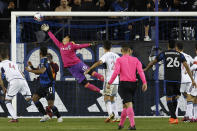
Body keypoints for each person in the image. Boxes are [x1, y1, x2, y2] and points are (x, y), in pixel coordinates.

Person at [41, 24, 105, 95]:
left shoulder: (71, 45)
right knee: (85, 84)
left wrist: (89, 44)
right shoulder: (60, 45)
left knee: (91, 73)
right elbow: (54, 38)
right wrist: (48, 31)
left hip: (78, 64)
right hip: (72, 69)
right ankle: (101, 91)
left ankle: (108, 82)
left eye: (66, 38)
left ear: (68, 39)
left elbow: (80, 46)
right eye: (64, 38)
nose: (64, 39)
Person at [144, 40, 197, 124]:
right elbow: (187, 67)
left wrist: (146, 68)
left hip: (169, 79)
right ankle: (177, 117)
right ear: (174, 46)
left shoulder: (164, 53)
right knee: (176, 97)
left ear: (168, 45)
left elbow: (153, 62)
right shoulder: (180, 55)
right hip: (178, 79)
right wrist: (192, 80)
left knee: (168, 98)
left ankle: (173, 117)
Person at [107, 45, 147, 130]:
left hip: (124, 84)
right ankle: (121, 125)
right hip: (134, 85)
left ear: (121, 51)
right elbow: (140, 71)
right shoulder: (136, 60)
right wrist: (144, 82)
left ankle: (133, 125)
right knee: (125, 105)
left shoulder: (119, 60)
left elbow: (116, 72)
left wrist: (110, 82)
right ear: (130, 51)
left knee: (128, 104)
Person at [85, 41, 120, 122]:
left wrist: (89, 69)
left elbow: (99, 62)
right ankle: (117, 116)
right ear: (111, 47)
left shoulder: (106, 55)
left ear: (104, 48)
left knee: (106, 98)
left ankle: (110, 114)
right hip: (116, 80)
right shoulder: (117, 56)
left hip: (109, 80)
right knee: (112, 99)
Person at [26, 47, 63, 122]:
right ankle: (45, 115)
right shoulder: (42, 62)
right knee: (35, 98)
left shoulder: (46, 62)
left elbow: (41, 71)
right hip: (42, 86)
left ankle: (59, 117)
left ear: (40, 53)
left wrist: (30, 70)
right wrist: (32, 67)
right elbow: (37, 71)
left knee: (50, 105)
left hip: (49, 86)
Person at [0, 49, 34, 122]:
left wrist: (3, 88)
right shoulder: (14, 63)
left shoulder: (1, 64)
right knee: (29, 100)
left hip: (13, 81)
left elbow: (0, 79)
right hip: (23, 80)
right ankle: (46, 110)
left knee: (7, 101)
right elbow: (23, 75)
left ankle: (14, 118)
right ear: (8, 57)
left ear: (0, 58)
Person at [175, 42, 194, 122]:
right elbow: (194, 66)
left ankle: (174, 116)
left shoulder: (176, 56)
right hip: (189, 80)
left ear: (176, 48)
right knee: (188, 97)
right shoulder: (188, 56)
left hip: (180, 79)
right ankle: (188, 116)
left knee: (176, 97)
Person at [45, 53, 60, 118]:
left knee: (50, 101)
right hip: (47, 85)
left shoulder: (54, 65)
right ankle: (49, 112)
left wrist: (50, 63)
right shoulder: (44, 66)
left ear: (51, 58)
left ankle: (51, 114)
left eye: (48, 58)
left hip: (49, 85)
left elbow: (56, 69)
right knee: (50, 101)